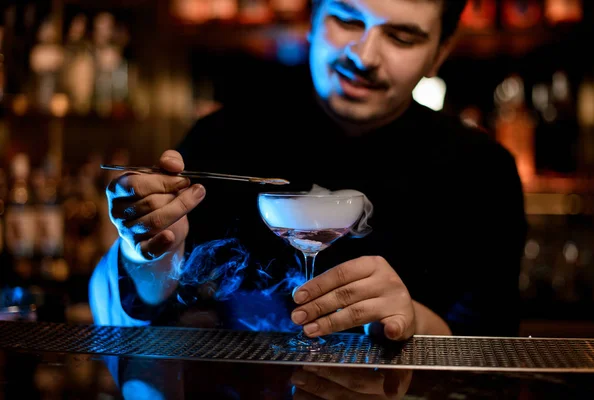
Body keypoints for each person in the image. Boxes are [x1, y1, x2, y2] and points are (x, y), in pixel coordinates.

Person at [90, 0, 527, 341]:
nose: (365, 55)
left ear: (440, 53)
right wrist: (149, 247)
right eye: (348, 21)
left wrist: (414, 322)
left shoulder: (482, 171)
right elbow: (146, 316)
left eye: (402, 37)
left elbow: (493, 345)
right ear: (313, 19)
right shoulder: (222, 137)